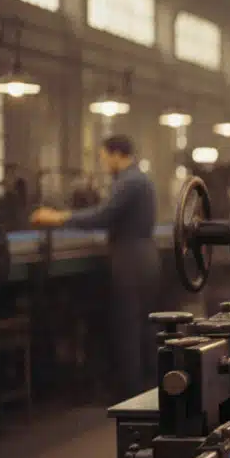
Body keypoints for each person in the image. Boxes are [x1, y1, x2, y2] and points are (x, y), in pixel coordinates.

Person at [31, 135, 159, 401]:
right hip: (144, 257)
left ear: (115, 154)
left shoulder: (130, 181)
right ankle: (149, 392)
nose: (103, 163)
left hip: (130, 260)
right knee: (143, 329)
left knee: (128, 330)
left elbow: (103, 216)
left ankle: (132, 398)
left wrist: (58, 217)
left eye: (103, 157)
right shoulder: (139, 180)